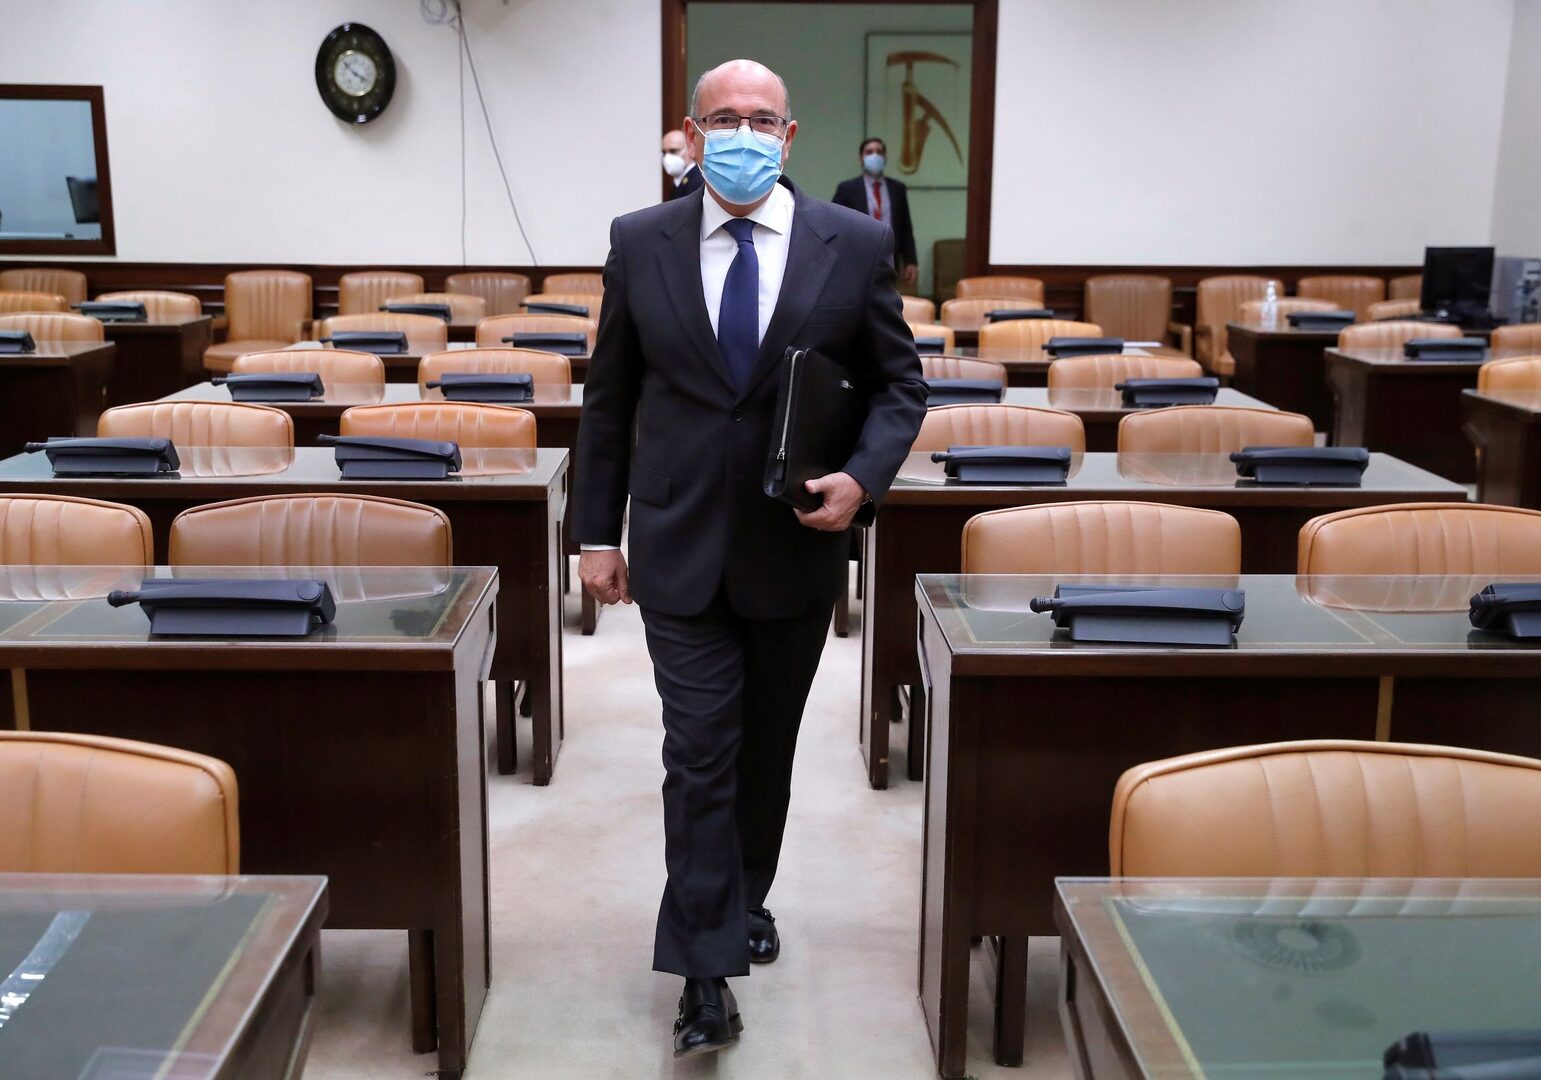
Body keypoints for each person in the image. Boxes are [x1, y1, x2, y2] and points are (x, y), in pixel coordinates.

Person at [575, 60, 925, 1057]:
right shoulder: (640, 240)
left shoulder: (851, 243)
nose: (742, 133)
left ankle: (742, 898)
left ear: (788, 134)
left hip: (793, 545)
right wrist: (595, 534)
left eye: (760, 119)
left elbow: (899, 386)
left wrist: (862, 479)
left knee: (764, 753)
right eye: (723, 118)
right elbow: (610, 397)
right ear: (692, 134)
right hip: (677, 542)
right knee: (698, 755)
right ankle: (703, 973)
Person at [832, 137, 918, 286]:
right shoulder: (847, 189)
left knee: (887, 297)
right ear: (861, 158)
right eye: (869, 152)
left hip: (890, 258)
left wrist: (911, 261)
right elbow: (835, 225)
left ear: (885, 157)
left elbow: (905, 228)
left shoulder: (897, 189)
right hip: (857, 258)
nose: (875, 155)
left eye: (879, 152)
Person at [661, 128, 704, 200]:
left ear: (690, 148)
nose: (668, 157)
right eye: (664, 152)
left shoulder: (698, 180)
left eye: (673, 151)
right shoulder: (679, 181)